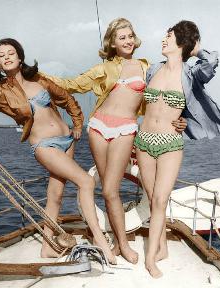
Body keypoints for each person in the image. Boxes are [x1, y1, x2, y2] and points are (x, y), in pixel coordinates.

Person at [0, 38, 117, 263]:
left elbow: (67, 99)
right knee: (86, 182)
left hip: (67, 140)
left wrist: (78, 124)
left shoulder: (39, 80)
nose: (6, 57)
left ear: (20, 57)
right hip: (44, 146)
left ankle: (48, 247)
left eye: (11, 52)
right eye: (1, 55)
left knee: (55, 197)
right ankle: (100, 239)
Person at [42, 18, 187, 264]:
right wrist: (34, 73)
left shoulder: (147, 67)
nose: (128, 41)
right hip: (98, 126)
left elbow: (168, 92)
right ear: (112, 42)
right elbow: (71, 85)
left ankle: (124, 245)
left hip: (126, 128)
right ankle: (120, 244)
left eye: (130, 36)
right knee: (108, 193)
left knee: (110, 189)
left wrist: (181, 118)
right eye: (122, 37)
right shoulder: (104, 68)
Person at [134, 20, 220, 278]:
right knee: (152, 197)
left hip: (170, 144)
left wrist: (196, 49)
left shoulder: (190, 73)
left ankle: (150, 258)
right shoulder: (153, 68)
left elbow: (211, 63)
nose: (163, 39)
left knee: (159, 199)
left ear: (181, 41)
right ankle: (163, 247)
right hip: (143, 141)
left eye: (169, 35)